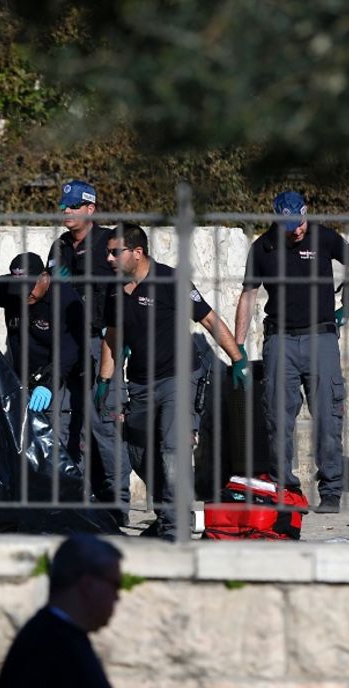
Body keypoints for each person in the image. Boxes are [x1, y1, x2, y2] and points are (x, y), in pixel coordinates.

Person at [99, 223, 247, 540]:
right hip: (139, 382)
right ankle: (168, 514)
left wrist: (237, 358)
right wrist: (104, 380)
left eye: (115, 252)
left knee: (171, 449)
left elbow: (208, 318)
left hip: (178, 378)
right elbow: (112, 337)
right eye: (107, 252)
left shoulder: (169, 281)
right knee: (138, 452)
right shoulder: (115, 289)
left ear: (137, 253)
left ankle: (176, 523)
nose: (109, 258)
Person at [234, 191, 349, 514]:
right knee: (278, 418)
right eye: (291, 226)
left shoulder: (322, 236)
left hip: (321, 337)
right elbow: (248, 296)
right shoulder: (262, 248)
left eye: (301, 223)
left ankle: (332, 490)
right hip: (280, 340)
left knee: (327, 416)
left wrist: (348, 299)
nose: (298, 230)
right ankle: (285, 489)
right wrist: (237, 348)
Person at [47, 180, 132, 522]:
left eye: (72, 206)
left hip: (103, 343)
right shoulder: (60, 247)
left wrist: (123, 342)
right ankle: (75, 502)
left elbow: (128, 290)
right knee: (66, 423)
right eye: (63, 207)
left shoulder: (109, 244)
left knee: (105, 424)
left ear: (90, 209)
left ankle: (118, 505)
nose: (66, 212)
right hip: (68, 345)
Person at [0, 252, 88, 460]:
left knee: (59, 446)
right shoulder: (9, 288)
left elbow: (69, 350)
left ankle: (72, 492)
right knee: (28, 445)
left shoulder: (66, 299)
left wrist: (49, 383)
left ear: (44, 277)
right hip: (26, 379)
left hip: (62, 380)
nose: (24, 296)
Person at [0, 534, 124, 688]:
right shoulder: (49, 649)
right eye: (115, 585)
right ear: (88, 585)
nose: (117, 596)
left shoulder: (57, 638)